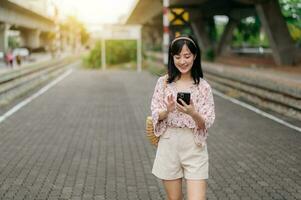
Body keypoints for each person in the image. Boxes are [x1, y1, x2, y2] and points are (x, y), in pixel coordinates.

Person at [151, 35, 215, 200]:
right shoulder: (163, 83)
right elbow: (155, 113)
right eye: (177, 56)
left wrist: (192, 113)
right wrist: (168, 110)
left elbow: (206, 123)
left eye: (187, 56)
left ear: (195, 56)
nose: (182, 61)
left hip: (194, 145)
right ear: (172, 58)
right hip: (169, 143)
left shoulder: (203, 87)